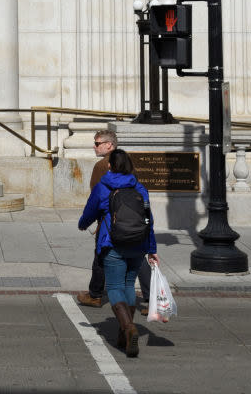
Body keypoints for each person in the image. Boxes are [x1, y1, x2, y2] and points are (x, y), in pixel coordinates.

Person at [78, 148, 159, 358]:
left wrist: (82, 224)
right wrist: (152, 249)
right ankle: (125, 333)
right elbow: (148, 219)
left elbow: (90, 211)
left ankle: (128, 327)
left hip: (112, 243)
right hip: (137, 245)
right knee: (129, 285)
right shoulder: (140, 188)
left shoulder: (103, 186)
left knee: (114, 287)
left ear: (110, 165)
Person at [76, 129, 151, 310]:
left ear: (109, 145)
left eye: (97, 143)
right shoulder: (128, 162)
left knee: (103, 256)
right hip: (134, 220)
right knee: (138, 259)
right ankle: (149, 298)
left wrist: (84, 223)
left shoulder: (102, 165)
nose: (94, 147)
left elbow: (96, 198)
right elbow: (145, 205)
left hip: (111, 221)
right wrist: (151, 241)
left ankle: (95, 295)